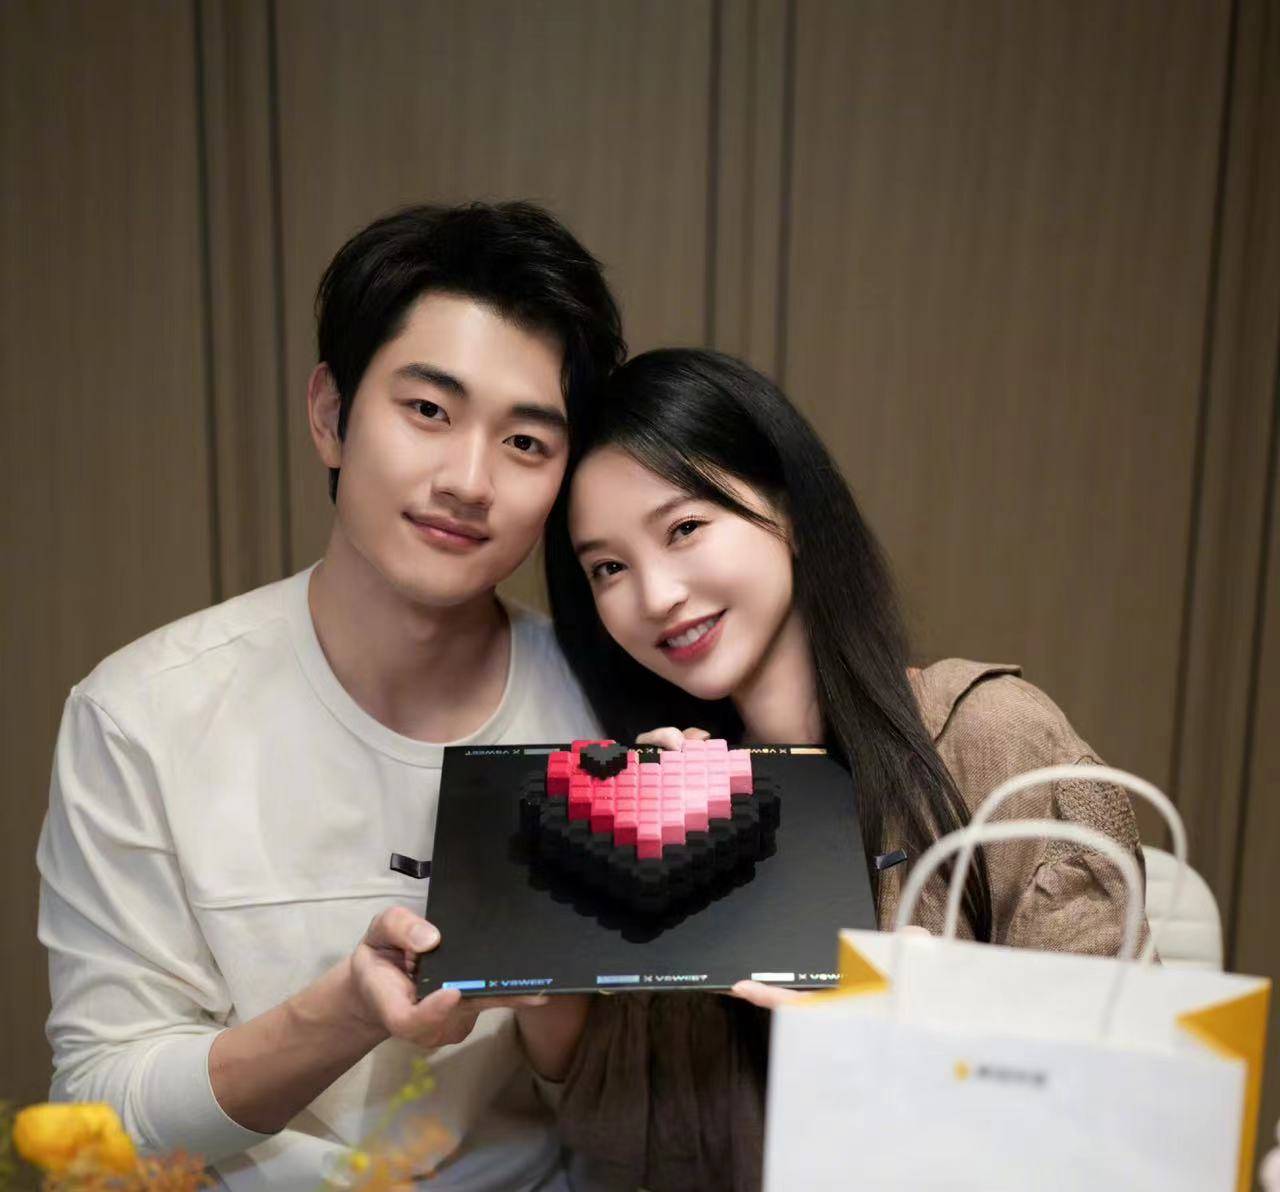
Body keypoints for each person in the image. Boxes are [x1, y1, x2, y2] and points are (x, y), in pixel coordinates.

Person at [36, 201, 623, 1189]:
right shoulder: (139, 716)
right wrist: (346, 1012)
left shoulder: (603, 708)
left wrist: (564, 981)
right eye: (428, 410)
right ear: (330, 414)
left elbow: (650, 1112)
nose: (468, 480)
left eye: (526, 442)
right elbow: (99, 1117)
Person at [540, 347, 1150, 1190]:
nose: (655, 596)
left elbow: (1127, 1114)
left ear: (788, 512)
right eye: (608, 568)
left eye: (684, 529)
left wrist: (932, 1030)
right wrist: (609, 921)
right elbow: (624, 1147)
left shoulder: (992, 741)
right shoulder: (679, 793)